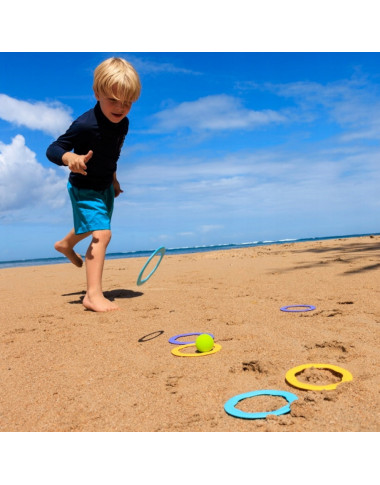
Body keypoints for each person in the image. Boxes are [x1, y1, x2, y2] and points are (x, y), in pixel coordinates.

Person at [46, 57, 141, 312]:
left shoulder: (123, 123)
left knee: (95, 225)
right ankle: (92, 295)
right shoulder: (85, 124)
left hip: (105, 186)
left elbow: (112, 154)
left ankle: (65, 245)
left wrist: (114, 179)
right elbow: (53, 148)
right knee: (102, 233)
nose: (120, 108)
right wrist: (70, 158)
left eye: (128, 102)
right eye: (113, 100)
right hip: (84, 187)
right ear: (97, 93)